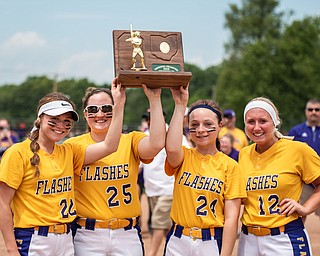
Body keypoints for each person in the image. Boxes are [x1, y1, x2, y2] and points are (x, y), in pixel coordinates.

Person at [0, 78, 125, 256]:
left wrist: (118, 105)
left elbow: (110, 146)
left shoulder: (69, 151)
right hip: (34, 237)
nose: (61, 126)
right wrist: (11, 249)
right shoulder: (18, 152)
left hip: (66, 237)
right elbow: (2, 202)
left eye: (67, 121)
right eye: (54, 120)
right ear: (40, 118)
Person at [65, 84, 166, 256]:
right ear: (84, 114)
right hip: (87, 233)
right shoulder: (72, 146)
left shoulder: (130, 140)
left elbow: (156, 144)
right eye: (92, 109)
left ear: (116, 107)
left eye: (106, 108)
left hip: (127, 234)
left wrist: (155, 99)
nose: (100, 114)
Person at [164, 85, 246, 256]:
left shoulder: (230, 166)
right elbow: (171, 149)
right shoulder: (183, 156)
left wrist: (225, 254)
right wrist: (180, 106)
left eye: (208, 124)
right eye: (195, 124)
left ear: (220, 126)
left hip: (211, 241)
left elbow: (231, 219)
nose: (201, 130)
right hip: (178, 238)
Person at [238, 97, 320, 256]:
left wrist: (305, 208)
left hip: (285, 238)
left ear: (275, 122)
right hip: (248, 239)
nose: (256, 127)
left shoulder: (297, 150)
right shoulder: (244, 154)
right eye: (250, 121)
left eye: (263, 121)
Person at [288, 99, 320, 221]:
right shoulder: (296, 131)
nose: (314, 112)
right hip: (303, 181)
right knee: (299, 212)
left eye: (317, 109)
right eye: (310, 109)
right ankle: (299, 238)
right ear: (306, 112)